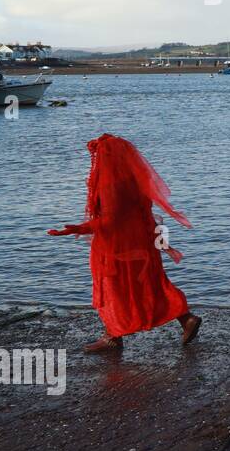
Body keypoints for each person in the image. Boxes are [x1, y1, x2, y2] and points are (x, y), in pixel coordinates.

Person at [47, 134, 200, 353]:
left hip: (118, 246)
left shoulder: (109, 183)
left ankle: (113, 337)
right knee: (150, 283)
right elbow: (138, 211)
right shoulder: (134, 179)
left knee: (114, 288)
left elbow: (111, 219)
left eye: (98, 156)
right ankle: (185, 319)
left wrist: (79, 228)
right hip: (141, 240)